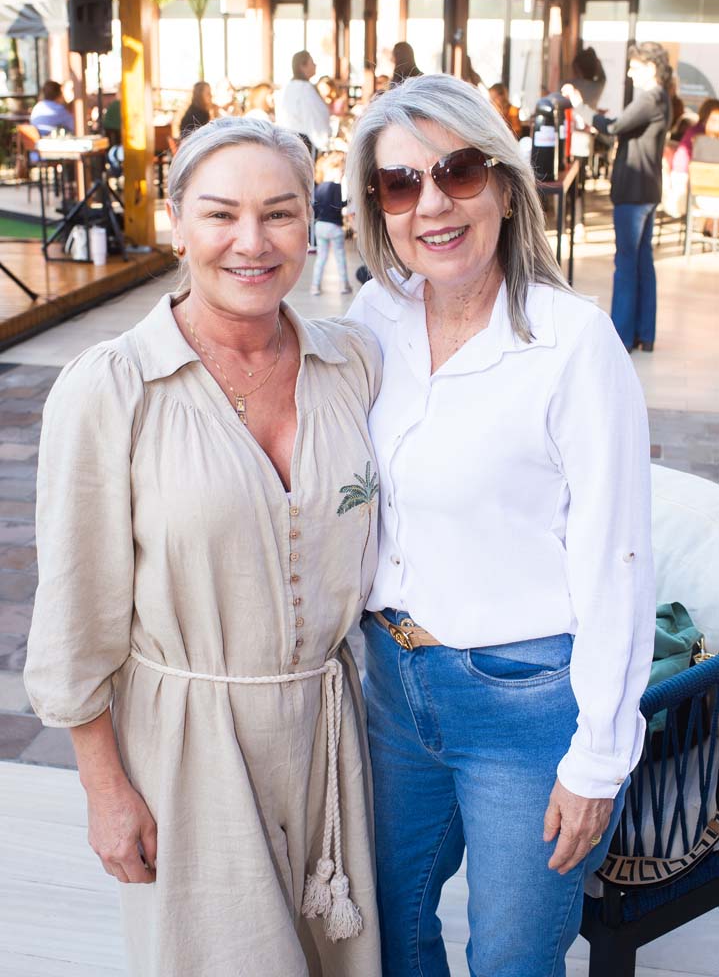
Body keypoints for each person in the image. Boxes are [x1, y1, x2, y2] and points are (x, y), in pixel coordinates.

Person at [24, 117, 382, 977]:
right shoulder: (110, 389)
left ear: (311, 224)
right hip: (186, 748)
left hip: (332, 738)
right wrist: (105, 789)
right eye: (221, 214)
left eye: (280, 213)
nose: (251, 242)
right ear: (176, 225)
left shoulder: (353, 363)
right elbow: (74, 615)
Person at [345, 73, 655, 977]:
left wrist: (597, 759)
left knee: (513, 960)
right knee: (388, 936)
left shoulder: (571, 342)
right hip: (390, 681)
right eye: (400, 183)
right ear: (376, 206)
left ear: (507, 187)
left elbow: (617, 562)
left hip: (524, 702)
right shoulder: (372, 317)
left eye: (459, 171)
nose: (431, 204)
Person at [563, 41, 672, 353]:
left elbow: (614, 127)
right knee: (642, 263)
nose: (630, 73)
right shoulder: (661, 98)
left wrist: (579, 105)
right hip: (647, 190)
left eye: (634, 67)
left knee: (626, 264)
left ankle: (622, 336)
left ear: (650, 68)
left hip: (633, 192)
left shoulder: (650, 98)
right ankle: (644, 334)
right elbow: (624, 130)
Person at [275, 50, 331, 157]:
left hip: (288, 141)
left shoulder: (288, 87)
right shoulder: (304, 89)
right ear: (302, 66)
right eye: (312, 62)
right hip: (304, 143)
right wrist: (324, 144)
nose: (315, 65)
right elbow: (313, 119)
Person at [311, 151, 351, 297]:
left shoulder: (318, 188)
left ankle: (315, 286)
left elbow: (315, 208)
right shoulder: (335, 187)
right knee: (340, 257)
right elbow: (337, 206)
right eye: (341, 170)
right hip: (334, 226)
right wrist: (348, 201)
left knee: (321, 258)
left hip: (320, 225)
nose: (342, 173)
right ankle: (344, 285)